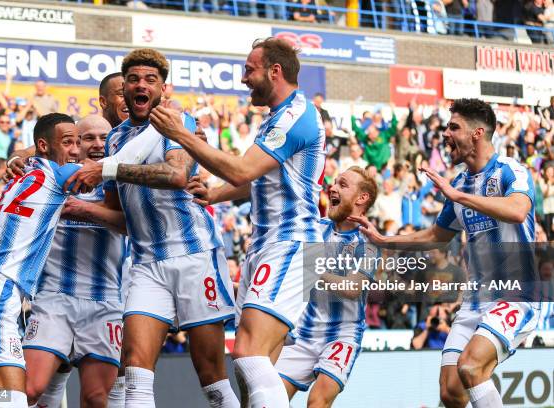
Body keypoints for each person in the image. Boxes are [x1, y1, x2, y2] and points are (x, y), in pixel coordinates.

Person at [154, 38, 326, 407]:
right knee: (254, 375)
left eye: (249, 69)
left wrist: (181, 135)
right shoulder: (278, 118)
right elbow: (256, 179)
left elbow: (242, 168)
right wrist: (214, 194)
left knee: (248, 352)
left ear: (274, 71)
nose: (243, 78)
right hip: (266, 244)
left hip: (292, 242)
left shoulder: (296, 116)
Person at [63, 49, 238, 408]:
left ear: (163, 88)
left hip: (195, 256)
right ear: (123, 89)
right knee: (135, 371)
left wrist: (109, 170)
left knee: (211, 377)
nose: (141, 85)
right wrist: (77, 209)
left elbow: (176, 175)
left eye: (150, 79)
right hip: (145, 265)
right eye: (133, 79)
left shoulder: (179, 123)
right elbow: (118, 216)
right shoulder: (114, 141)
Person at [352, 98, 540, 408]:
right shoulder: (460, 183)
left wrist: (459, 197)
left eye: (454, 127)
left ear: (477, 133)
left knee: (471, 367)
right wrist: (385, 241)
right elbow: (436, 235)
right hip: (475, 300)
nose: (446, 134)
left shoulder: (510, 170)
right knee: (450, 392)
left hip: (516, 295)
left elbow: (518, 211)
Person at [0, 113, 82, 407]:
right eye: (68, 142)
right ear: (44, 146)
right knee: (14, 400)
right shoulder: (57, 174)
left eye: (77, 142)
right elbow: (98, 168)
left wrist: (19, 154)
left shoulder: (23, 173)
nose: (76, 149)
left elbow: (35, 152)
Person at [22, 115, 127, 408]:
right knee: (30, 390)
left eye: (103, 137)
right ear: (74, 144)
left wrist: (83, 210)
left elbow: (133, 225)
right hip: (54, 299)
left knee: (95, 398)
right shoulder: (52, 178)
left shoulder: (120, 184)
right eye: (87, 138)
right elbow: (30, 153)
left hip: (104, 303)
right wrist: (13, 162)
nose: (96, 144)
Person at [276, 166, 379, 407]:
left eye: (342, 185)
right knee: (270, 397)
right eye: (334, 183)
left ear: (362, 198)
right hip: (303, 334)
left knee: (317, 402)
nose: (332, 188)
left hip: (342, 336)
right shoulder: (314, 229)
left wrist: (309, 265)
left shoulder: (369, 244)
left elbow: (352, 288)